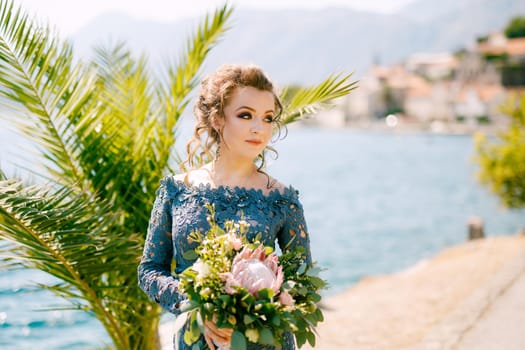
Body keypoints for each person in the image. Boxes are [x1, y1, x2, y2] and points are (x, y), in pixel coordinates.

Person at [138, 64, 312, 350]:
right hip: (197, 339)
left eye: (267, 118)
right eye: (245, 115)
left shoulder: (283, 199)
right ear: (218, 119)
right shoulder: (176, 190)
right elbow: (150, 270)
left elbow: (301, 286)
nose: (259, 128)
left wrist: (252, 318)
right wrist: (196, 303)